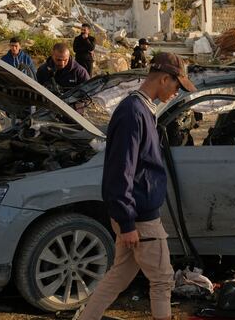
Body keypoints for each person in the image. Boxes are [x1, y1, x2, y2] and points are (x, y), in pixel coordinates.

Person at [74, 53, 196, 320]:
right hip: (139, 217)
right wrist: (127, 223)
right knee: (163, 280)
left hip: (133, 213)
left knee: (119, 275)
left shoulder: (141, 109)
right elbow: (120, 171)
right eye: (177, 86)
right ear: (164, 78)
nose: (176, 92)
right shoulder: (133, 113)